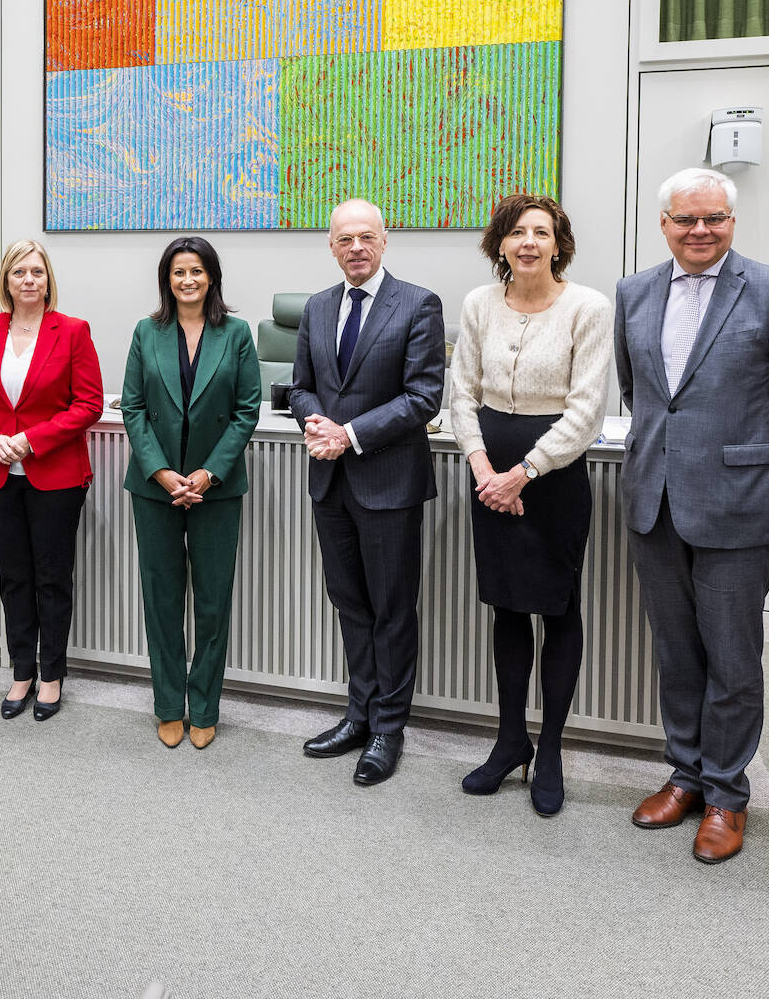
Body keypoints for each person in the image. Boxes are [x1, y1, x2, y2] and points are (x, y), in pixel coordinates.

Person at [613, 167, 769, 862]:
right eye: (686, 220)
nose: (700, 231)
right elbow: (639, 391)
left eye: (714, 219)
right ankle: (686, 774)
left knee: (732, 656)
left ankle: (728, 793)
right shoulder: (634, 293)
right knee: (676, 651)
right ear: (666, 224)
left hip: (740, 505)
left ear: (732, 223)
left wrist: (754, 462)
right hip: (657, 499)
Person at [449, 195, 611, 815]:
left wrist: (522, 474)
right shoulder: (478, 304)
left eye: (542, 233)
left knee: (558, 609)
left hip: (553, 476)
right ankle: (509, 739)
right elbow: (462, 393)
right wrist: (484, 470)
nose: (529, 242)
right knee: (507, 610)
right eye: (517, 232)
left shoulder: (588, 307)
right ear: (500, 243)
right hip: (488, 470)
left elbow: (586, 409)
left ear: (558, 245)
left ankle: (550, 750)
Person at [288, 198, 445, 787]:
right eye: (344, 239)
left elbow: (422, 397)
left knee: (391, 610)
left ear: (385, 240)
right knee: (350, 604)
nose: (356, 247)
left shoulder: (418, 304)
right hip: (330, 485)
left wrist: (347, 434)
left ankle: (388, 728)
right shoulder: (317, 306)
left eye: (366, 237)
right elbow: (300, 387)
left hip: (388, 483)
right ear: (331, 246)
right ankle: (358, 714)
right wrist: (316, 423)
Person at [119, 237, 262, 750]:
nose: (187, 281)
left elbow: (248, 410)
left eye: (196, 271)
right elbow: (131, 409)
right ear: (167, 279)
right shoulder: (146, 332)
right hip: (155, 490)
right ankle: (167, 704)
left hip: (215, 491)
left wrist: (207, 474)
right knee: (161, 599)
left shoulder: (237, 333)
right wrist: (160, 472)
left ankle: (204, 706)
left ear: (211, 277)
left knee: (212, 602)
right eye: (179, 272)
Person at [0, 239, 102, 722]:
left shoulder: (73, 331)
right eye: (20, 272)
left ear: (48, 279)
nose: (29, 280)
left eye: (37, 271)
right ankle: (22, 671)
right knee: (14, 577)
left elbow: (88, 404)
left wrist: (31, 440)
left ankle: (52, 674)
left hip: (53, 474)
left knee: (53, 578)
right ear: (7, 280)